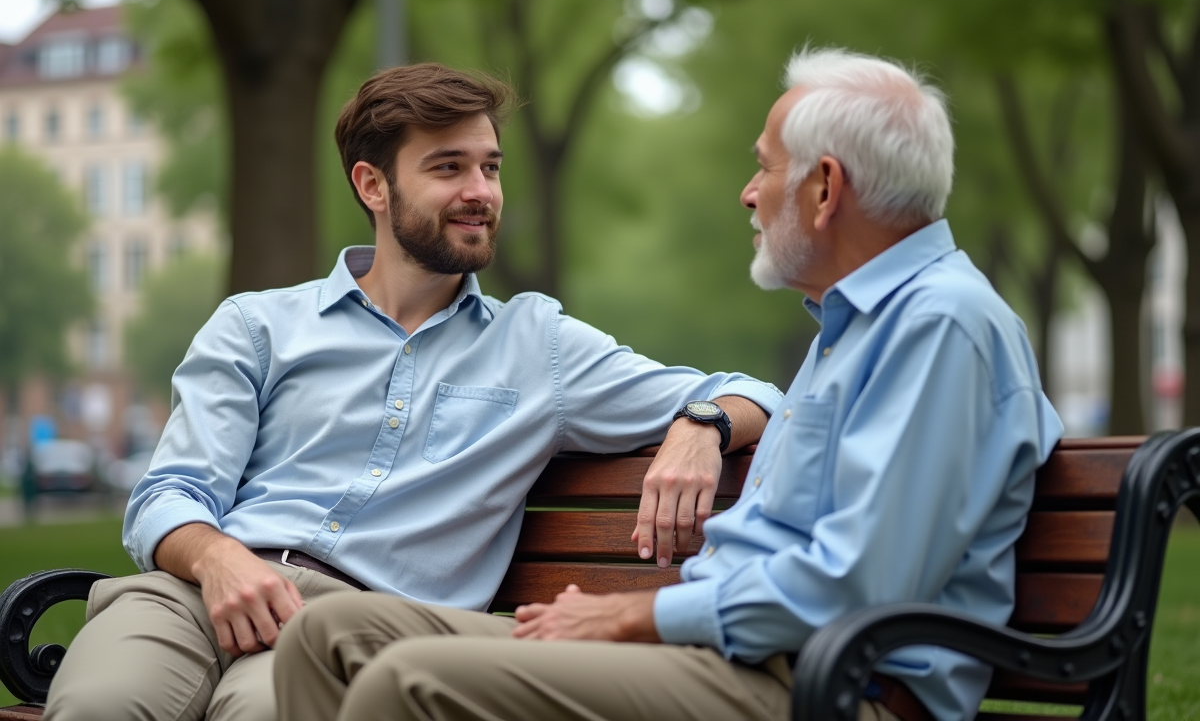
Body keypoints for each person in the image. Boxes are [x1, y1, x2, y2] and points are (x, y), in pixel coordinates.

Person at [270, 48, 1064, 721]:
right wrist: (703, 422)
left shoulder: (941, 327)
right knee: (327, 633)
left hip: (824, 685)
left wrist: (629, 616)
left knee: (408, 683)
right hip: (736, 655)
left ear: (825, 189)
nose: (749, 194)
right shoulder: (854, 329)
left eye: (765, 167)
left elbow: (859, 584)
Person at [42, 63, 782, 721]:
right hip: (191, 594)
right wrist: (217, 560)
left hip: (352, 636)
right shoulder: (258, 325)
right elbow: (170, 490)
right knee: (99, 704)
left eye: (490, 168)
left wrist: (701, 422)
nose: (480, 192)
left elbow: (755, 393)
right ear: (373, 185)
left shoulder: (540, 346)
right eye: (449, 168)